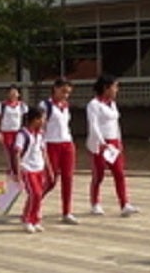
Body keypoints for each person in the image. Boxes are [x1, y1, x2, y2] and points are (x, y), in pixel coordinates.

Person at [85, 74, 139, 217]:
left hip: (113, 142)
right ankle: (95, 203)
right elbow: (94, 125)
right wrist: (102, 142)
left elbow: (115, 124)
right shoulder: (94, 104)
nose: (116, 90)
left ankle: (124, 203)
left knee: (119, 173)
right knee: (99, 174)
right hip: (100, 143)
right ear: (106, 88)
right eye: (115, 87)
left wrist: (119, 141)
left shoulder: (112, 104)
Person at [40, 77, 79, 224]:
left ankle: (67, 211)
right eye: (63, 91)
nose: (65, 95)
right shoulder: (45, 105)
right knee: (50, 180)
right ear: (55, 88)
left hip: (67, 144)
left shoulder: (65, 105)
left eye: (68, 93)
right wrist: (40, 147)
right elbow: (40, 127)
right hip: (51, 144)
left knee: (68, 178)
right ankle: (34, 203)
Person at [12, 107, 52, 234]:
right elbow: (17, 153)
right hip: (27, 169)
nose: (44, 121)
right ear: (35, 119)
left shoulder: (40, 134)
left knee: (38, 195)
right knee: (35, 194)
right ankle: (27, 219)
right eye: (42, 119)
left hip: (39, 168)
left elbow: (44, 152)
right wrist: (18, 173)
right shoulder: (22, 134)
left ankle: (35, 219)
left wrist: (49, 168)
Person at [0, 85, 27, 176]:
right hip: (6, 131)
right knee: (9, 151)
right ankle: (11, 169)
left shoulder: (22, 105)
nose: (13, 94)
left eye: (15, 92)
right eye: (11, 92)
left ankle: (18, 169)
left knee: (17, 150)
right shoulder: (3, 105)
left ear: (18, 94)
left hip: (18, 131)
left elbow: (26, 118)